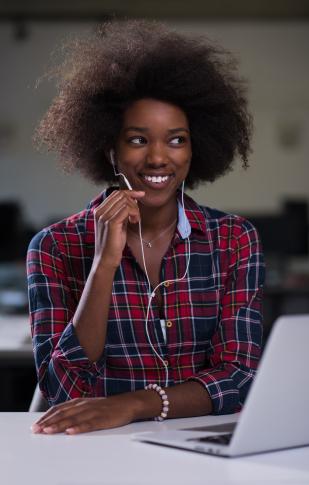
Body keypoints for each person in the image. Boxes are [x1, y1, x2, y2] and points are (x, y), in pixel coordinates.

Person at [27, 19, 264, 435]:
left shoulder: (233, 239)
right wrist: (103, 263)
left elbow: (240, 377)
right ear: (110, 149)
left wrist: (134, 405)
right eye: (138, 139)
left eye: (176, 140)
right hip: (97, 448)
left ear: (196, 148)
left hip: (202, 446)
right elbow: (65, 388)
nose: (159, 158)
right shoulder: (54, 246)